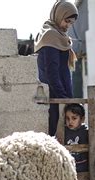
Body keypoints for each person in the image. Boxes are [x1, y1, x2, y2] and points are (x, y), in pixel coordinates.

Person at [34, 0, 78, 137]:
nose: (68, 26)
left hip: (60, 96)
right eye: (66, 21)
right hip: (54, 98)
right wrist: (64, 99)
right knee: (55, 137)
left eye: (71, 23)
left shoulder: (60, 36)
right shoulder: (50, 35)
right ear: (58, 16)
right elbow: (51, 73)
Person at [64, 103, 89, 180]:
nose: (70, 121)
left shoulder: (86, 131)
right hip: (68, 167)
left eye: (74, 118)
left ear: (82, 119)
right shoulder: (63, 131)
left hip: (82, 167)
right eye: (67, 118)